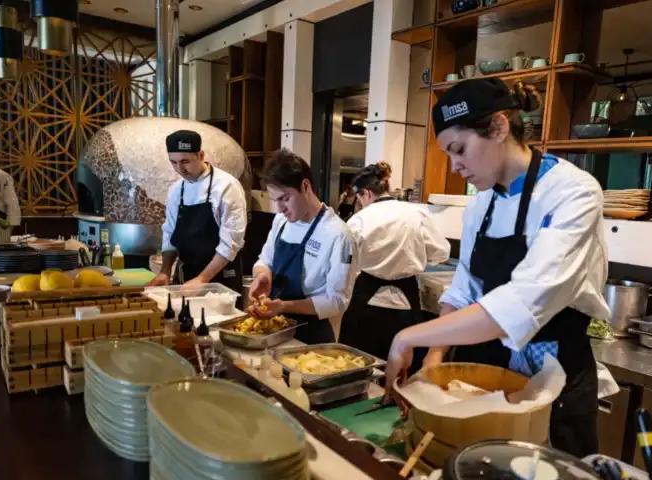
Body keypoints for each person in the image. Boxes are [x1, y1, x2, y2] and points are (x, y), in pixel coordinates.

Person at [385, 79, 611, 458]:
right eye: (448, 154)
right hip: (491, 367)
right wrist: (434, 357)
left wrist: (407, 338)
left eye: (459, 149)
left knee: (550, 476)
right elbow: (465, 288)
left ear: (499, 127)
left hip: (556, 370)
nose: (455, 166)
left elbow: (522, 302)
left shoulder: (573, 192)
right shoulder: (481, 204)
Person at [339, 162, 450, 361]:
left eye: (360, 198)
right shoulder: (416, 213)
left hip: (366, 307)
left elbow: (345, 263)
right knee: (402, 366)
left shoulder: (359, 220)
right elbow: (441, 253)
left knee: (360, 364)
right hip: (405, 306)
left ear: (366, 193)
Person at [248, 149, 358, 344]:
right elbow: (264, 260)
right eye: (275, 200)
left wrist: (284, 306)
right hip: (275, 328)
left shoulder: (337, 234)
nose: (279, 208)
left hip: (310, 336)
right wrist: (263, 276)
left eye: (285, 198)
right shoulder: (281, 221)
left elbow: (337, 301)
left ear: (305, 186)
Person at [149, 130, 247, 292]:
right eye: (173, 162)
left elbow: (231, 243)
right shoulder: (175, 190)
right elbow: (169, 233)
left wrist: (202, 279)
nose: (180, 169)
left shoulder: (227, 186)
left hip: (221, 278)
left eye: (185, 161)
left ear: (201, 156)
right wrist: (165, 271)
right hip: (186, 276)